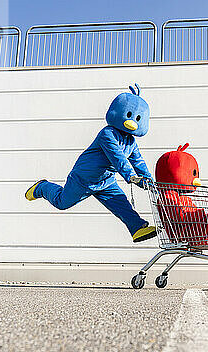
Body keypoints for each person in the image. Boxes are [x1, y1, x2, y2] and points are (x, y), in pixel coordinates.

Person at [25, 84, 157, 243]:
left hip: (105, 181)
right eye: (128, 115)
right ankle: (42, 187)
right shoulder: (107, 134)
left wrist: (148, 179)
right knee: (62, 203)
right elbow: (118, 158)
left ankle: (137, 227)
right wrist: (131, 177)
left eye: (136, 119)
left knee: (121, 203)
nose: (132, 123)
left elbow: (138, 161)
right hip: (84, 178)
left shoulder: (131, 142)